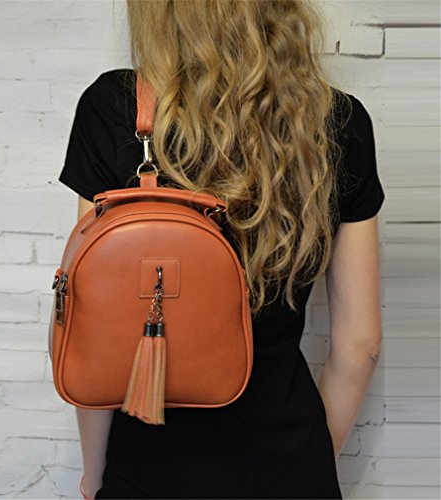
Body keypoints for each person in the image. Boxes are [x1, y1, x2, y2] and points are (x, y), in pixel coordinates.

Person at [56, 1, 385, 498]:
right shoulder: (338, 122)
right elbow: (360, 345)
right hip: (290, 469)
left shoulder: (115, 109)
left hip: (148, 474)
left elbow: (91, 331)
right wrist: (311, 463)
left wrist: (95, 477)